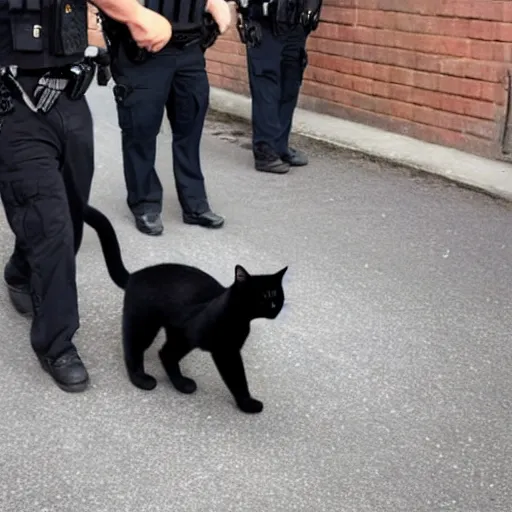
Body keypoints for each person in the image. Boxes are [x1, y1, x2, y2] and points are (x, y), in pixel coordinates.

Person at [0, 0, 172, 393]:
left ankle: (20, 269)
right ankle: (56, 344)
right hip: (13, 106)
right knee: (51, 224)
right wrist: (136, 14)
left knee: (71, 214)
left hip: (70, 99)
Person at [102, 0, 232, 236]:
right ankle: (145, 203)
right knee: (140, 128)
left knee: (190, 126)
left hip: (190, 46)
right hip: (143, 49)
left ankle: (195, 204)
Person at [234, 0, 322, 174]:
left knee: (290, 83)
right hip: (265, 20)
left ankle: (280, 146)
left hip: (296, 19)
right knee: (266, 84)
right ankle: (265, 151)